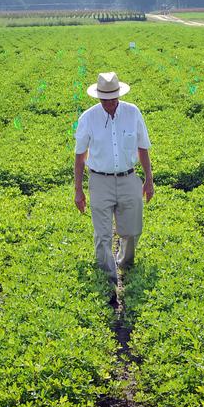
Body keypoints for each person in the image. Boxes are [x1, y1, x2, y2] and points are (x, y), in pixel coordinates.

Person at [73, 71, 154, 285]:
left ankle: (125, 265)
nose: (109, 103)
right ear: (98, 97)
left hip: (129, 178)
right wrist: (78, 190)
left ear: (119, 95)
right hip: (100, 181)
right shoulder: (88, 118)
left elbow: (143, 147)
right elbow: (80, 157)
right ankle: (107, 277)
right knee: (103, 235)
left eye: (113, 99)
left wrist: (149, 179)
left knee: (132, 231)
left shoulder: (133, 113)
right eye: (105, 100)